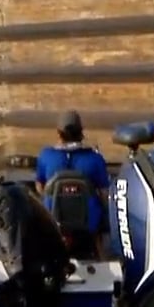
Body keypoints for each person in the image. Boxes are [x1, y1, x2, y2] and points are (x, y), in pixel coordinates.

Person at [35, 110, 111, 257]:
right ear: (81, 132)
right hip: (88, 225)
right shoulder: (95, 159)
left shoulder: (46, 156)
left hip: (54, 221)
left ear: (59, 133)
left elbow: (40, 187)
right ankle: (102, 256)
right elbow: (104, 194)